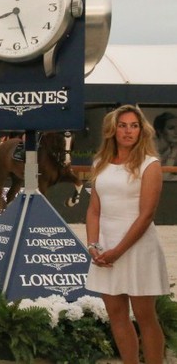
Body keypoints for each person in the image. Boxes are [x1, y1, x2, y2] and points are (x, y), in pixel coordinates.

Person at [85, 105, 168, 364]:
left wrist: (117, 251)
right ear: (113, 129)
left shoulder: (149, 164)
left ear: (142, 130)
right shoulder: (99, 163)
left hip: (137, 248)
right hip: (105, 248)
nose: (128, 131)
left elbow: (146, 215)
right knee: (117, 315)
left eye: (134, 126)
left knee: (145, 317)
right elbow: (94, 210)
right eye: (123, 125)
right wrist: (94, 246)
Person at [153, 111, 177, 181]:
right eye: (171, 128)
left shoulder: (173, 150)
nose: (176, 132)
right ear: (160, 131)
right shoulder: (149, 148)